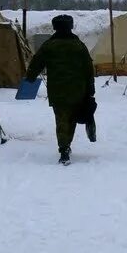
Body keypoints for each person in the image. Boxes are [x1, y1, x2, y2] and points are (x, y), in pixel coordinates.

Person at [25, 14, 96, 164]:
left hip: (57, 90)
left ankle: (64, 149)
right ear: (71, 26)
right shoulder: (79, 46)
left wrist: (30, 77)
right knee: (72, 119)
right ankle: (66, 145)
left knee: (61, 120)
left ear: (55, 27)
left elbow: (36, 63)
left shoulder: (49, 45)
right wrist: (90, 90)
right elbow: (89, 69)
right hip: (78, 90)